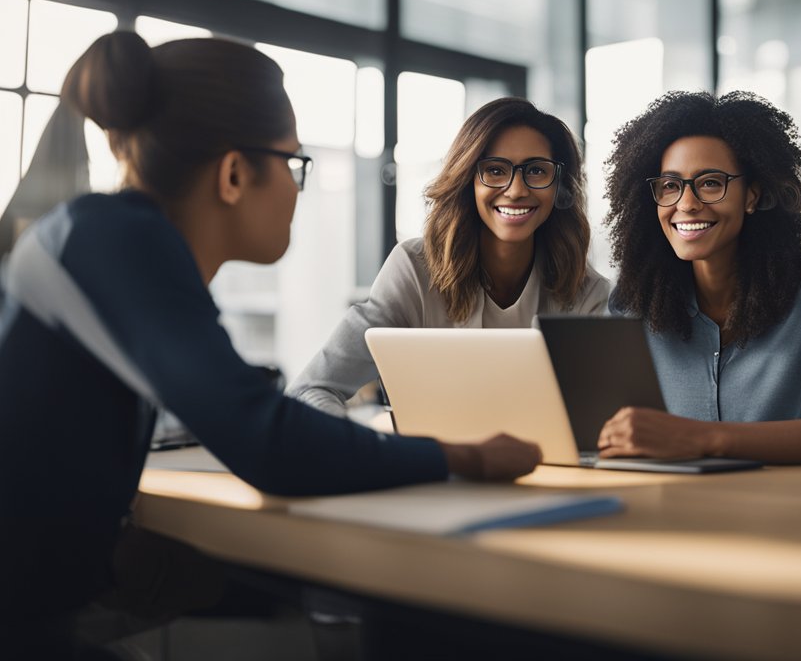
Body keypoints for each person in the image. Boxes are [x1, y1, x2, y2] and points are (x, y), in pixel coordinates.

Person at [0, 33, 541, 651]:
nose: (294, 186)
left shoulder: (108, 236)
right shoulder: (119, 242)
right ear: (234, 173)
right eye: (293, 162)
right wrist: (460, 458)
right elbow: (268, 441)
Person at [599, 90, 801, 464]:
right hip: (667, 511)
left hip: (791, 514)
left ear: (752, 195)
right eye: (670, 186)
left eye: (710, 182)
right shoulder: (632, 298)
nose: (686, 203)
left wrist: (703, 438)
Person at [288, 97, 611, 416]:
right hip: (432, 466)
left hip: (546, 466)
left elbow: (597, 416)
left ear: (560, 185)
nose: (516, 190)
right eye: (495, 170)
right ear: (467, 179)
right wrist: (365, 451)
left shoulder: (587, 293)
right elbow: (310, 390)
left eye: (537, 171)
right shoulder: (414, 269)